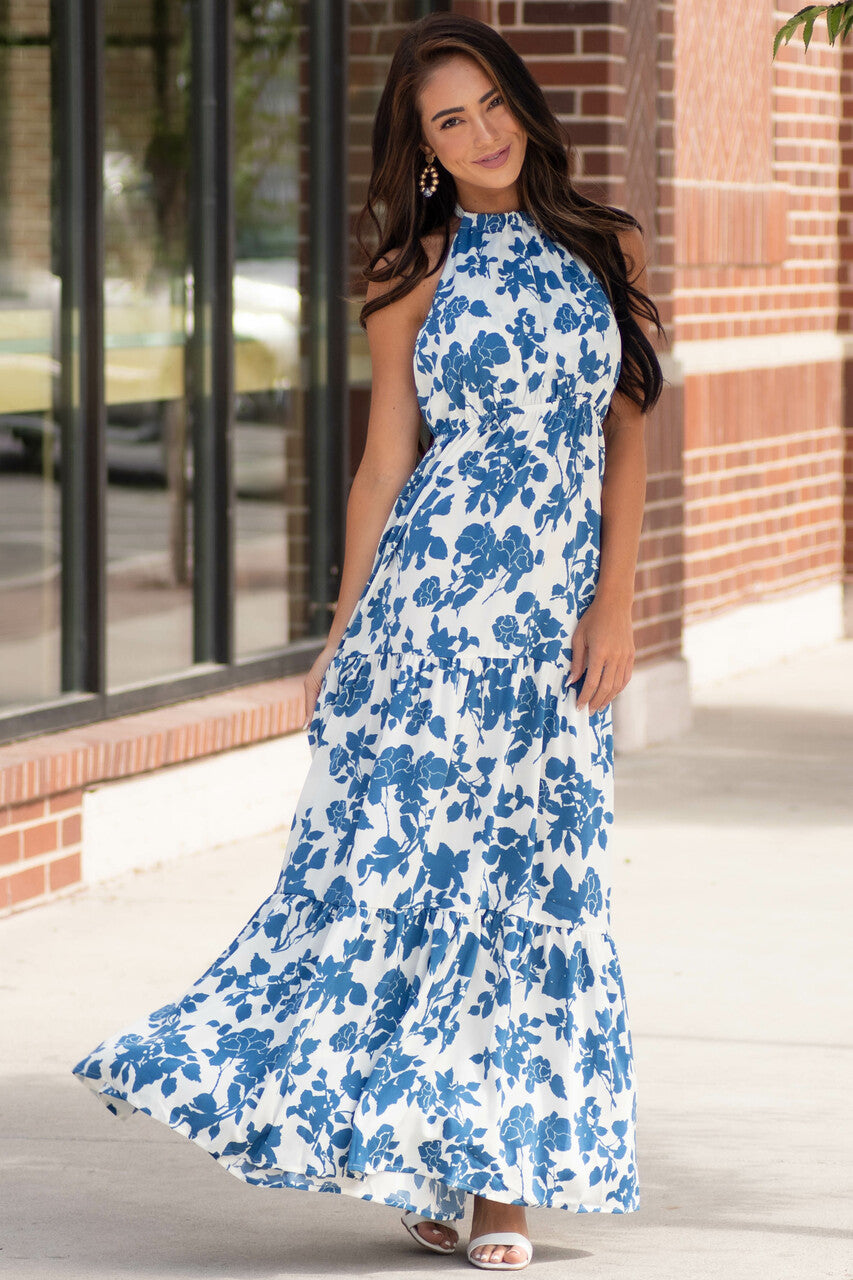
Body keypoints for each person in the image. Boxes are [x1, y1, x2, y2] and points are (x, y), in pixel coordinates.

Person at [71, 13, 663, 1273]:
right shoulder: (413, 277)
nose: (484, 130)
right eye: (452, 121)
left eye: (493, 102)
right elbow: (387, 456)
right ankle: (442, 1165)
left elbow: (627, 439)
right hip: (433, 617)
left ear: (523, 103)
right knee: (408, 886)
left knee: (540, 884)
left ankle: (498, 1177)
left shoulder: (604, 245)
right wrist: (345, 629)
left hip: (553, 627)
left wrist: (616, 602)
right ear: (428, 152)